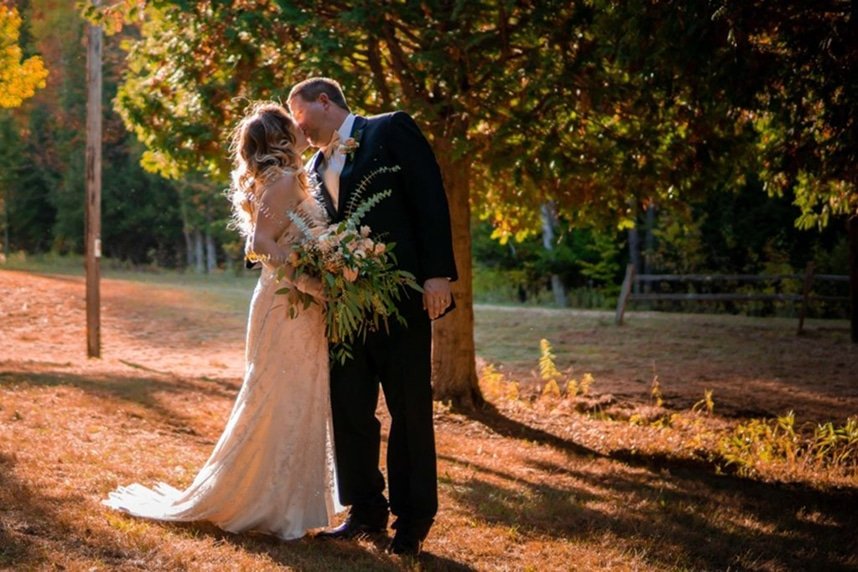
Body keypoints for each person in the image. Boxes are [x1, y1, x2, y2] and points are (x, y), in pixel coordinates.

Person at [102, 102, 341, 540]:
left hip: (291, 303)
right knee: (277, 395)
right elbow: (262, 245)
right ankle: (267, 504)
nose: (303, 131)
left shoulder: (273, 180)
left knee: (295, 395)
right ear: (281, 139)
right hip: (287, 302)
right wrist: (310, 278)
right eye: (294, 127)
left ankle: (289, 502)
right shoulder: (284, 180)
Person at [288, 77, 457, 556]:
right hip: (343, 306)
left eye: (298, 114)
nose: (298, 127)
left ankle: (413, 518)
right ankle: (365, 510)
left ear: (324, 102)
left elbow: (429, 197)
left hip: (402, 297)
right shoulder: (315, 165)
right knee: (348, 407)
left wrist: (438, 274)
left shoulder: (390, 130)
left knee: (409, 408)